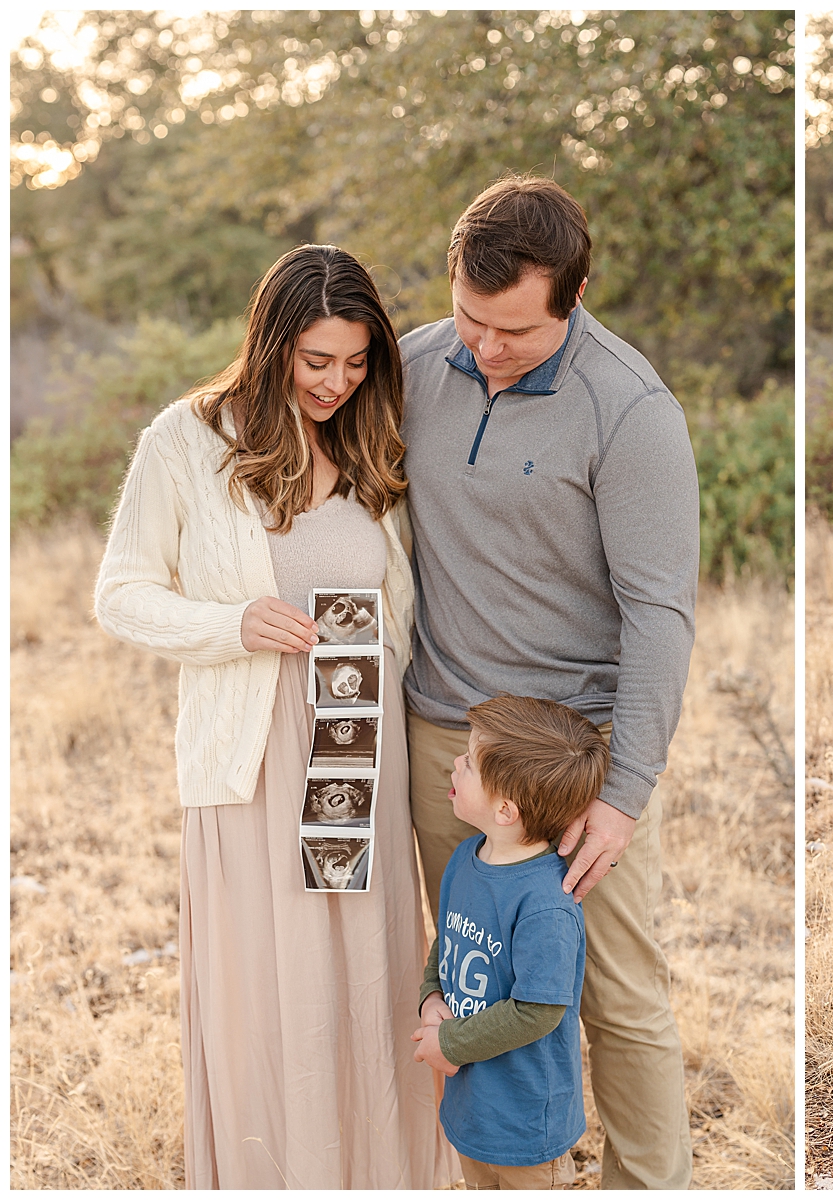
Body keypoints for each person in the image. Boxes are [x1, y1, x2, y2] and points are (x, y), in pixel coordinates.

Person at [94, 245, 453, 1187]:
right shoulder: (186, 440)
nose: (337, 383)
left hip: (357, 756)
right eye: (315, 362)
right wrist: (231, 623)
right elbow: (120, 593)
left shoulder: (375, 443)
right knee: (269, 998)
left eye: (356, 361)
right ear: (270, 347)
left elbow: (406, 609)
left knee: (360, 990)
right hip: (252, 763)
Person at [399, 174, 699, 1188]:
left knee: (614, 995)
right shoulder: (410, 366)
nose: (484, 347)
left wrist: (622, 795)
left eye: (516, 331)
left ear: (575, 296)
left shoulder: (629, 409)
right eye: (470, 319)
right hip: (444, 747)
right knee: (470, 972)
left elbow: (661, 612)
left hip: (573, 763)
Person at [412, 695, 609, 1190]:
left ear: (505, 809)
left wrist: (451, 1044)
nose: (456, 762)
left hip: (524, 1122)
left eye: (471, 762)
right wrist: (431, 995)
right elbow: (448, 936)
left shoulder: (546, 903)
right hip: (472, 1108)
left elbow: (538, 1010)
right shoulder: (466, 858)